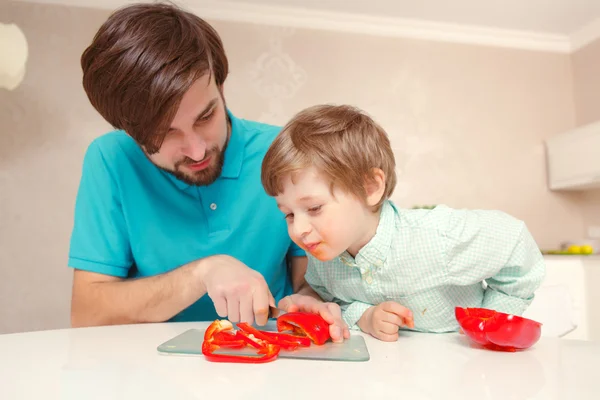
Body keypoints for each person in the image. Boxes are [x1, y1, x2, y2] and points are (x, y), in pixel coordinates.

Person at [68, 2, 348, 342]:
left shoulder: (282, 152)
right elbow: (87, 313)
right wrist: (203, 272)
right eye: (165, 133)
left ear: (221, 85)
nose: (198, 150)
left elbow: (307, 283)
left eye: (206, 116)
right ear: (129, 130)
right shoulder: (110, 159)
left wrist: (307, 301)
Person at [261, 104, 546, 342]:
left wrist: (491, 324)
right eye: (289, 214)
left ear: (370, 188)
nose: (298, 230)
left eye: (313, 207)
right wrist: (362, 315)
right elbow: (333, 299)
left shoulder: (437, 236)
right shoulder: (324, 256)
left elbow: (515, 240)